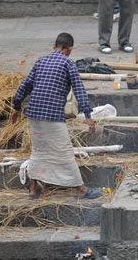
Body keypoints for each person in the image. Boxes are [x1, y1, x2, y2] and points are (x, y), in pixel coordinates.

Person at [12, 32, 100, 199]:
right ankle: (81, 189)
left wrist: (16, 107)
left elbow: (25, 85)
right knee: (64, 151)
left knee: (39, 152)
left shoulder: (41, 61)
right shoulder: (68, 63)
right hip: (51, 114)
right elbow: (79, 90)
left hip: (34, 113)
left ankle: (33, 187)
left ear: (54, 46)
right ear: (69, 49)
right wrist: (88, 115)